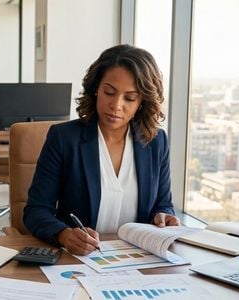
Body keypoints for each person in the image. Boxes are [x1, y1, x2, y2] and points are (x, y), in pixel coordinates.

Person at [23, 44, 180, 256]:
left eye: (130, 98)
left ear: (142, 102)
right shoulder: (63, 138)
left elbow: (163, 204)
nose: (116, 105)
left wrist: (164, 216)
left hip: (138, 260)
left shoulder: (155, 141)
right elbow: (36, 210)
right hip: (79, 261)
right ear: (97, 88)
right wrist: (63, 234)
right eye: (109, 92)